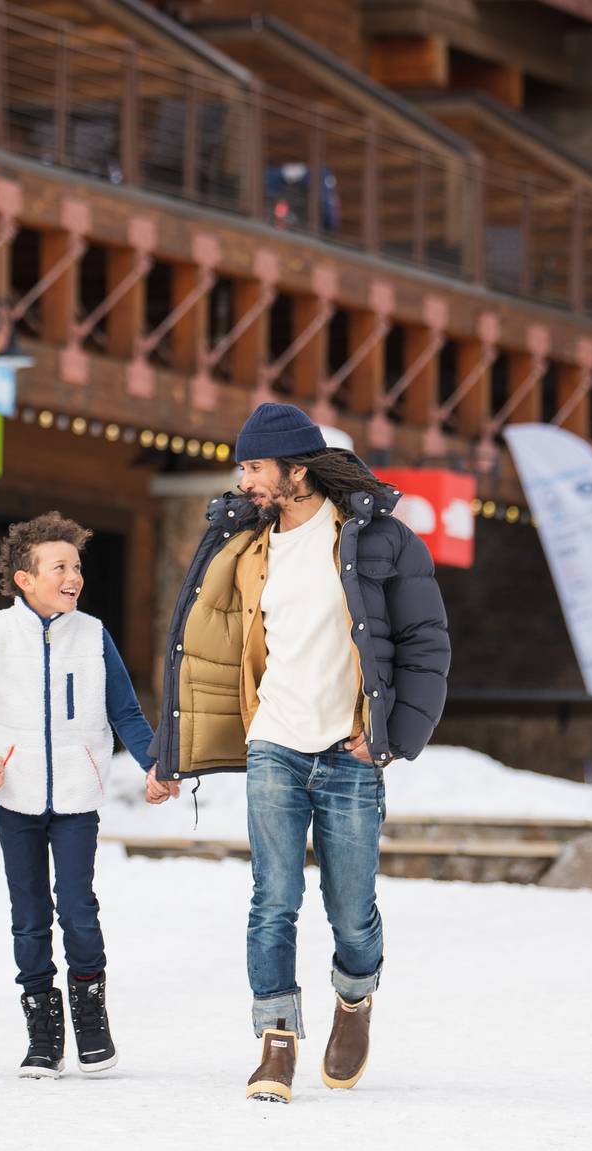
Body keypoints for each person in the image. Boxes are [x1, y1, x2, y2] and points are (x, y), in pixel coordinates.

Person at [152, 403, 450, 1103]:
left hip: (350, 750)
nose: (245, 481)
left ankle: (354, 995)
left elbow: (425, 642)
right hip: (274, 744)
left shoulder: (379, 540)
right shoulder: (241, 544)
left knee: (351, 909)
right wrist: (172, 753)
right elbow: (197, 651)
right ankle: (276, 1040)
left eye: (256, 466)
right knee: (272, 899)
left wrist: (394, 737)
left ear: (298, 470)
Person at [0, 511, 172, 1079]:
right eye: (59, 567)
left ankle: (91, 1017)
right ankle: (43, 1032)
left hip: (77, 798)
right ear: (25, 578)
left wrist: (155, 763)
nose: (73, 576)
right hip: (15, 797)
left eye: (77, 567)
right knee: (30, 916)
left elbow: (124, 710)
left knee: (78, 908)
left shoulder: (93, 635)